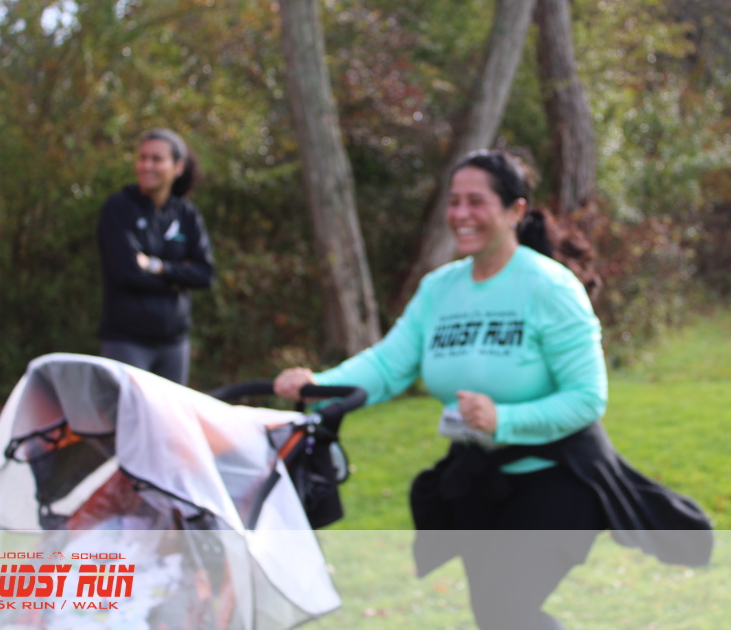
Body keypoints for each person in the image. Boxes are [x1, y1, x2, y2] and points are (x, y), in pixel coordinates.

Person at [275, 149, 610, 629]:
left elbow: (587, 397)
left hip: (556, 478)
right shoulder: (439, 289)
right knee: (495, 617)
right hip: (477, 477)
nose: (460, 214)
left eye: (476, 201)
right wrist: (316, 386)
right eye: (453, 201)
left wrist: (504, 419)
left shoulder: (550, 288)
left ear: (515, 210)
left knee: (507, 611)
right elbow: (388, 365)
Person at [97, 128, 215, 385]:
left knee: (170, 412)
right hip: (126, 340)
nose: (146, 165)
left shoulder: (186, 214)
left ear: (178, 167)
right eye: (142, 158)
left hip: (174, 343)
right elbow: (126, 273)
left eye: (157, 159)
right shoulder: (119, 208)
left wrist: (157, 266)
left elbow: (205, 274)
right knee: (128, 410)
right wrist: (179, 278)